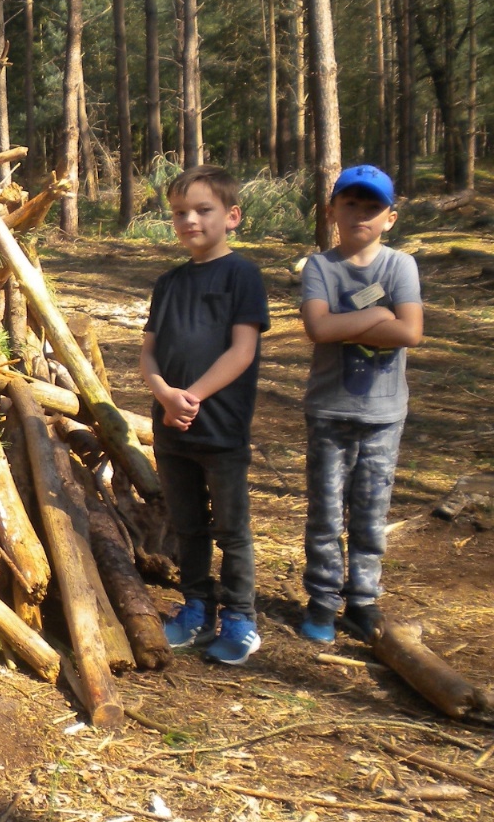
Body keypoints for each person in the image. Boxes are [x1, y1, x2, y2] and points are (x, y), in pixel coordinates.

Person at [139, 164, 269, 665]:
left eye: (202, 210)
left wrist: (189, 397)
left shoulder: (242, 275)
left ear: (232, 216)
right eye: (179, 212)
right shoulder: (168, 283)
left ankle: (239, 617)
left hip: (221, 429)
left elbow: (242, 351)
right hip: (171, 430)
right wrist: (163, 395)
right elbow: (148, 353)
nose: (189, 220)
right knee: (187, 524)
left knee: (231, 529)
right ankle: (195, 607)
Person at [296, 165, 423, 644]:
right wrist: (379, 313)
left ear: (390, 218)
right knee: (326, 513)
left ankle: (363, 601)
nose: (360, 215)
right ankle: (322, 599)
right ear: (331, 211)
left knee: (371, 513)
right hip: (329, 411)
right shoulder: (320, 268)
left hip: (383, 417)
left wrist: (347, 322)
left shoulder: (400, 266)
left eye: (372, 208)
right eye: (350, 204)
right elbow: (318, 329)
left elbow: (410, 331)